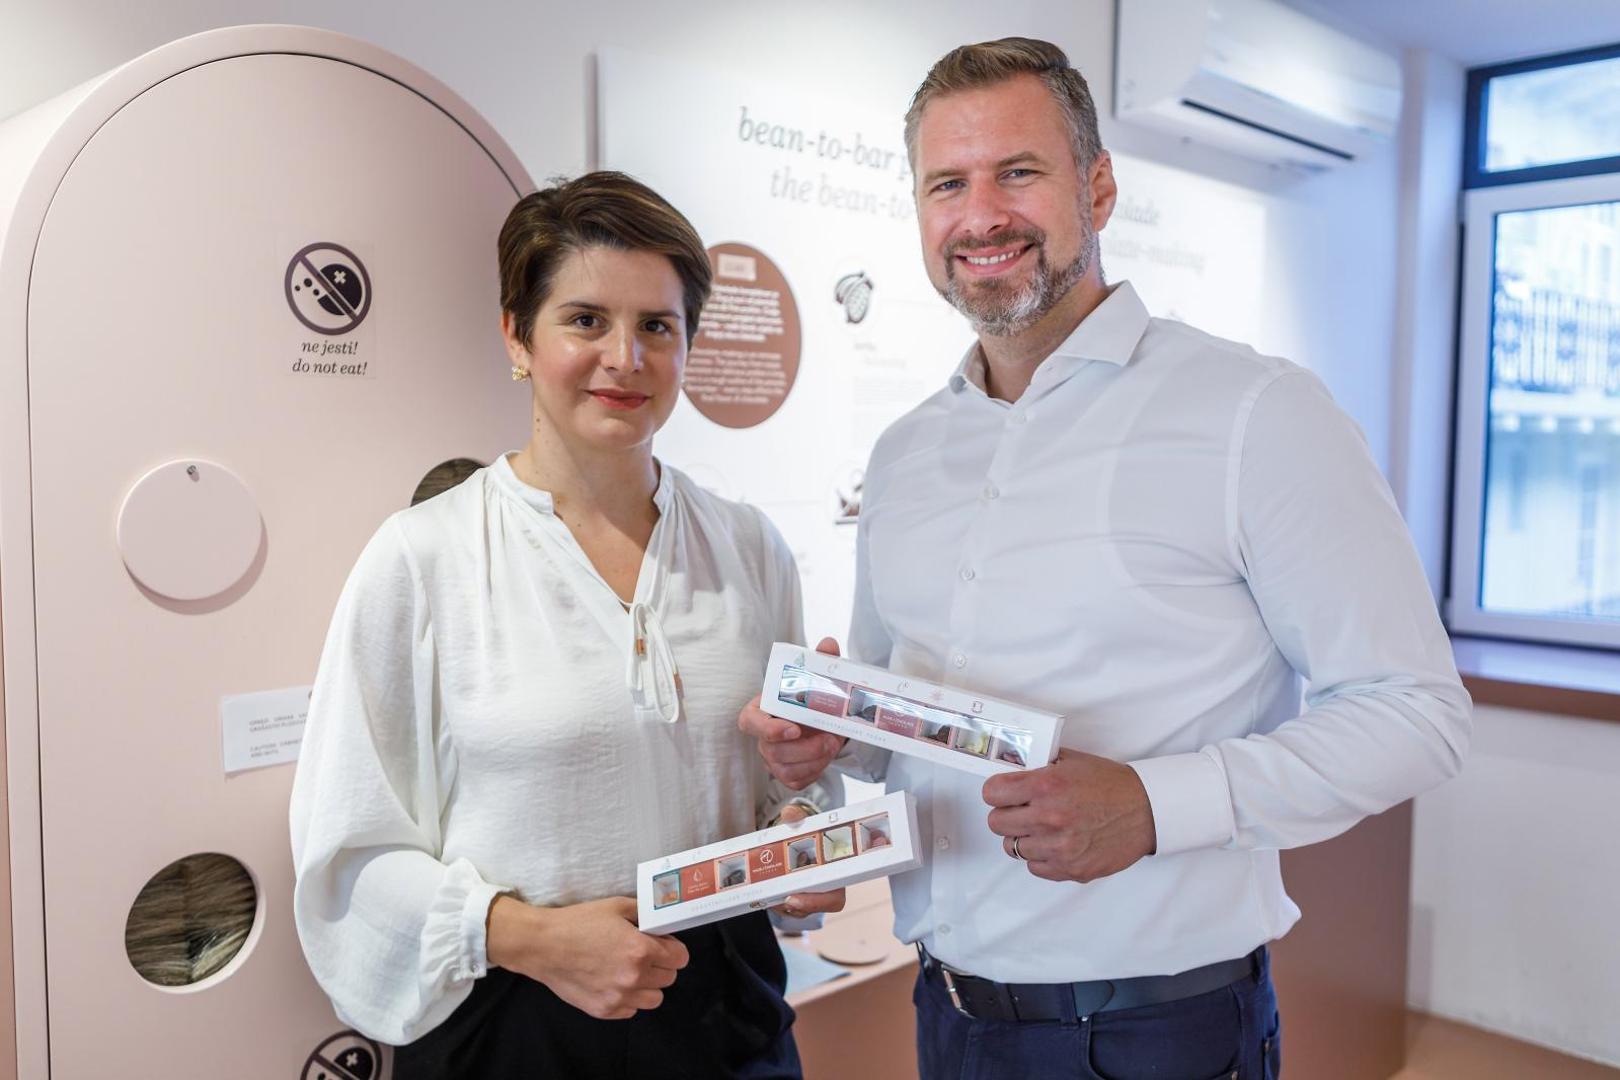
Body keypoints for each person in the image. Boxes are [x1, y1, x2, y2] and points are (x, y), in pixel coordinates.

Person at [740, 38, 1471, 1079]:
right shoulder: (904, 455)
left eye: (1017, 172)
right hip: (946, 1012)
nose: (981, 215)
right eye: (948, 184)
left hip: (1155, 1034)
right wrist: (835, 738)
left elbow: (1416, 711)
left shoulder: (1256, 414)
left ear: (1098, 188)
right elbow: (898, 717)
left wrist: (1155, 806)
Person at [290, 171, 841, 1080]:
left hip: (728, 1018)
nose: (625, 357)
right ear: (517, 335)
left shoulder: (750, 548)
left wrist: (800, 818)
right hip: (517, 1024)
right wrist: (529, 938)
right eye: (586, 320)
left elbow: (777, 792)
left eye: (657, 326)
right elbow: (347, 853)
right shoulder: (424, 559)